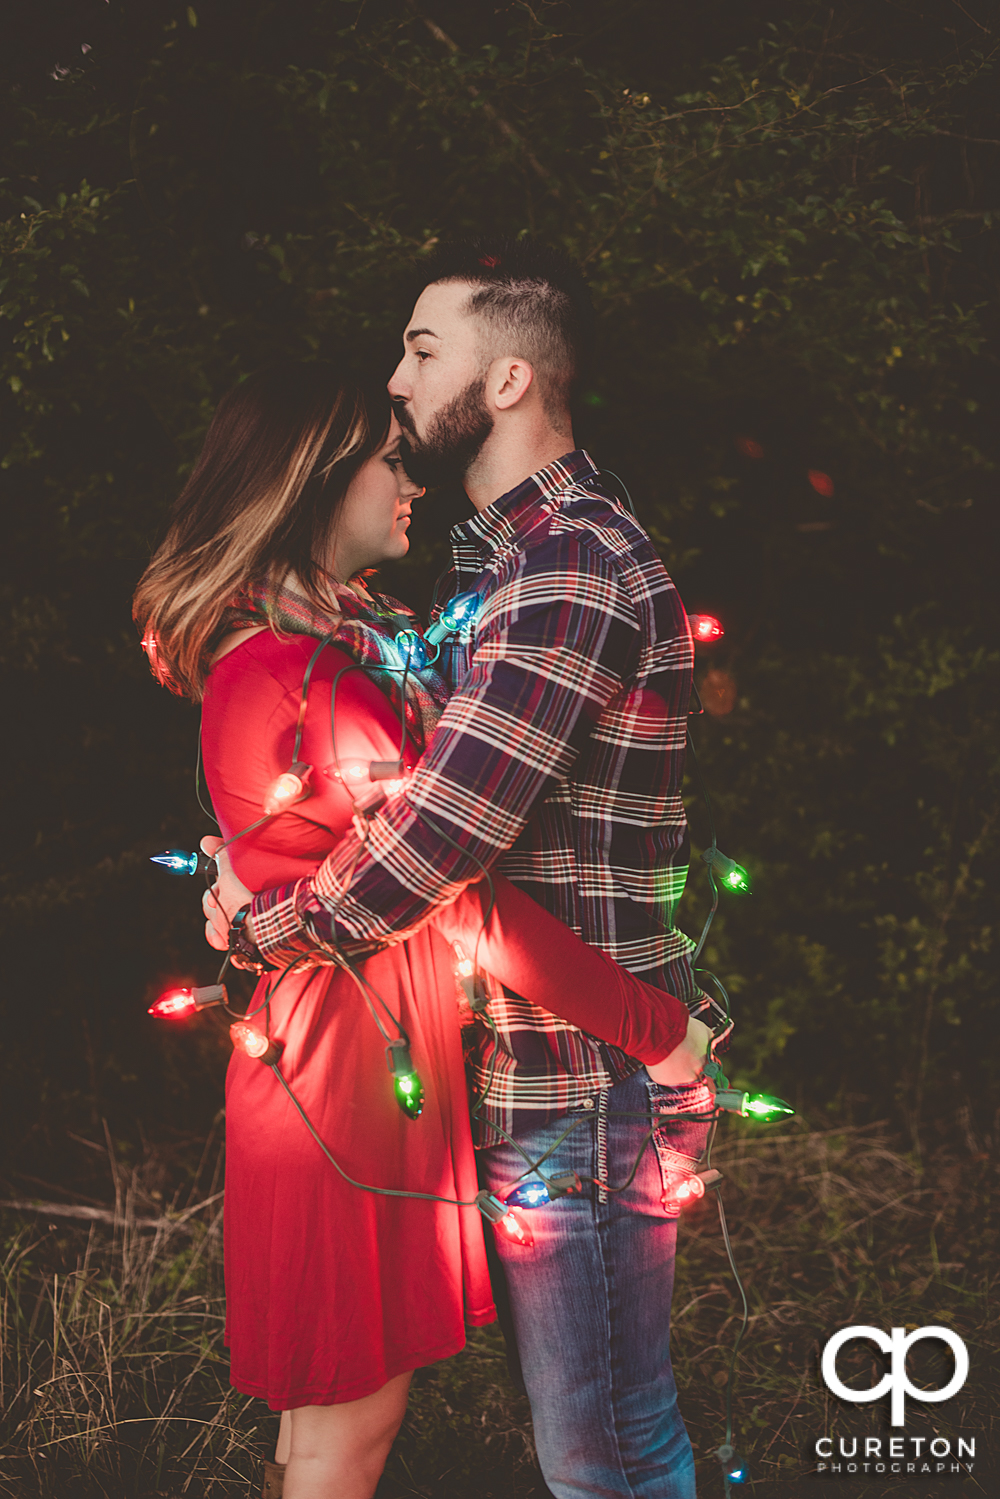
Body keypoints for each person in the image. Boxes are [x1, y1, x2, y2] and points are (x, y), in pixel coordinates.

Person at [135, 360, 713, 1499]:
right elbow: (452, 888)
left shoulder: (293, 655)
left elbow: (289, 855)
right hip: (351, 1071)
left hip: (331, 1043)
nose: (412, 482)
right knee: (351, 1425)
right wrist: (654, 1025)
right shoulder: (307, 675)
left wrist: (245, 895)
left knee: (322, 1427)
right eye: (388, 461)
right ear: (313, 480)